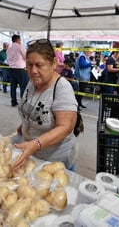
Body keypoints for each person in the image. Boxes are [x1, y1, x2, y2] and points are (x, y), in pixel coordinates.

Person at [12, 39, 78, 171]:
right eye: (29, 65)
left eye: (39, 65)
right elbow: (33, 109)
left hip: (55, 159)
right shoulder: (33, 82)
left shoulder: (62, 88)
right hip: (32, 153)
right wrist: (25, 125)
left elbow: (65, 127)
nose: (33, 70)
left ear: (53, 63)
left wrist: (35, 144)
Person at [7, 34, 29, 106]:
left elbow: (8, 58)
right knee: (23, 86)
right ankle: (22, 102)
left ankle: (13, 101)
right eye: (20, 40)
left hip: (11, 68)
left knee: (13, 86)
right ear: (17, 39)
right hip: (20, 69)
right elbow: (26, 56)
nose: (20, 41)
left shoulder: (9, 48)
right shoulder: (20, 47)